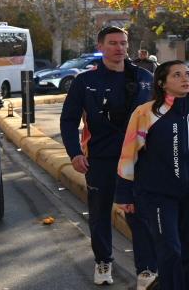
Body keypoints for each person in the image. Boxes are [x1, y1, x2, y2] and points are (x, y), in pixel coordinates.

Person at [60, 26, 158, 289]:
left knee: (140, 215)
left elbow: (160, 117)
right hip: (101, 159)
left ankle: (146, 270)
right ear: (100, 47)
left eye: (123, 43)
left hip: (139, 160)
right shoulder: (84, 81)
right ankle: (103, 261)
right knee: (100, 213)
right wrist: (74, 153)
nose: (119, 48)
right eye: (113, 43)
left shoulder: (145, 78)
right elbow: (68, 120)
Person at [117, 60, 189, 290]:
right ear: (162, 83)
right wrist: (124, 193)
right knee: (170, 250)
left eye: (187, 73)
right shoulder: (145, 113)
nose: (185, 78)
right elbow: (128, 153)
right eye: (177, 75)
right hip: (158, 195)